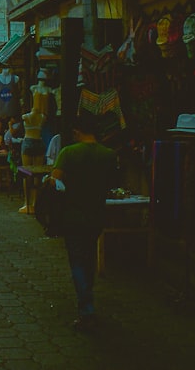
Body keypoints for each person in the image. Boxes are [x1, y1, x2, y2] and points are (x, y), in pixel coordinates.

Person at [46, 113, 117, 332]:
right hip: (96, 215)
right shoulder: (109, 155)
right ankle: (88, 300)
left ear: (77, 131)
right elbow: (113, 183)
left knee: (77, 260)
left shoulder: (68, 153)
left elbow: (54, 180)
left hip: (73, 216)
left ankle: (86, 309)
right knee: (88, 259)